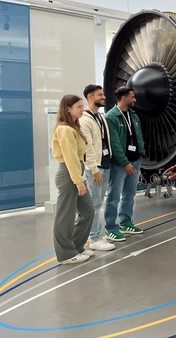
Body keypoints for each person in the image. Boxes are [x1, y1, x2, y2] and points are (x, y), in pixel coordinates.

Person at [51, 94, 95, 264]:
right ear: (68, 109)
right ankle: (65, 254)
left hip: (75, 172)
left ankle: (76, 246)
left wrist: (80, 178)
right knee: (65, 216)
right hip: (68, 174)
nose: (82, 109)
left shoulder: (73, 128)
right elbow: (70, 157)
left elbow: (76, 160)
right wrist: (78, 181)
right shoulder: (65, 130)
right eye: (78, 107)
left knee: (88, 211)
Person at [104, 87, 146, 242]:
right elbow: (114, 144)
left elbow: (137, 136)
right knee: (114, 196)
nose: (135, 100)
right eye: (132, 97)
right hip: (120, 164)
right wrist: (124, 163)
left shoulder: (133, 115)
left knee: (129, 194)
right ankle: (111, 228)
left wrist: (140, 154)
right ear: (123, 98)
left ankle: (125, 223)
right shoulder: (111, 117)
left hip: (135, 160)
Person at [80, 84, 115, 251]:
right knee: (94, 203)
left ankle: (93, 235)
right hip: (96, 169)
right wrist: (94, 170)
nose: (104, 97)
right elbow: (88, 148)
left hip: (105, 164)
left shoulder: (100, 117)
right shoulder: (84, 120)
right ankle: (94, 238)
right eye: (100, 95)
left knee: (98, 202)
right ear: (90, 97)